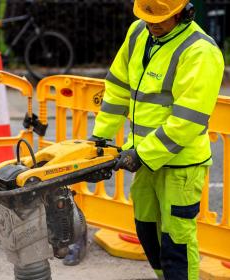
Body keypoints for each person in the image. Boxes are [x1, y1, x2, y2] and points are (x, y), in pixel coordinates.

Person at [90, 1, 224, 279]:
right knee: (146, 230)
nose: (153, 24)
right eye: (147, 16)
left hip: (180, 165)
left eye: (161, 18)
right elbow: (117, 87)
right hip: (145, 160)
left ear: (183, 12)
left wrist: (142, 154)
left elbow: (187, 120)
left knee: (177, 240)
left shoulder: (200, 51)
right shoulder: (139, 32)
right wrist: (100, 138)